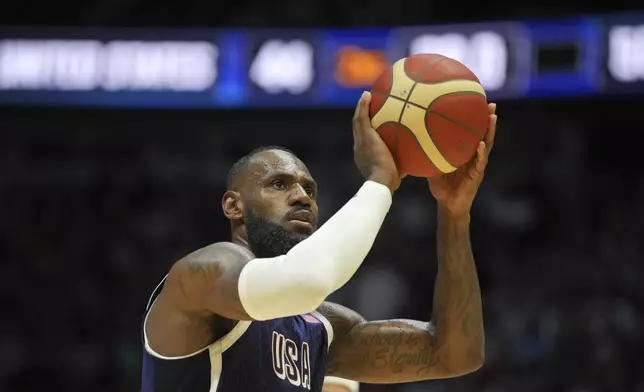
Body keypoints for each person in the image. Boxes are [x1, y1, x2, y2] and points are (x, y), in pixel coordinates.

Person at [140, 91, 498, 392]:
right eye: (279, 184)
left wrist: (454, 214)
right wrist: (380, 183)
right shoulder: (201, 276)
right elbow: (306, 280)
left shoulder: (319, 327)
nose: (302, 197)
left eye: (309, 190)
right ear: (234, 205)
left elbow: (454, 354)